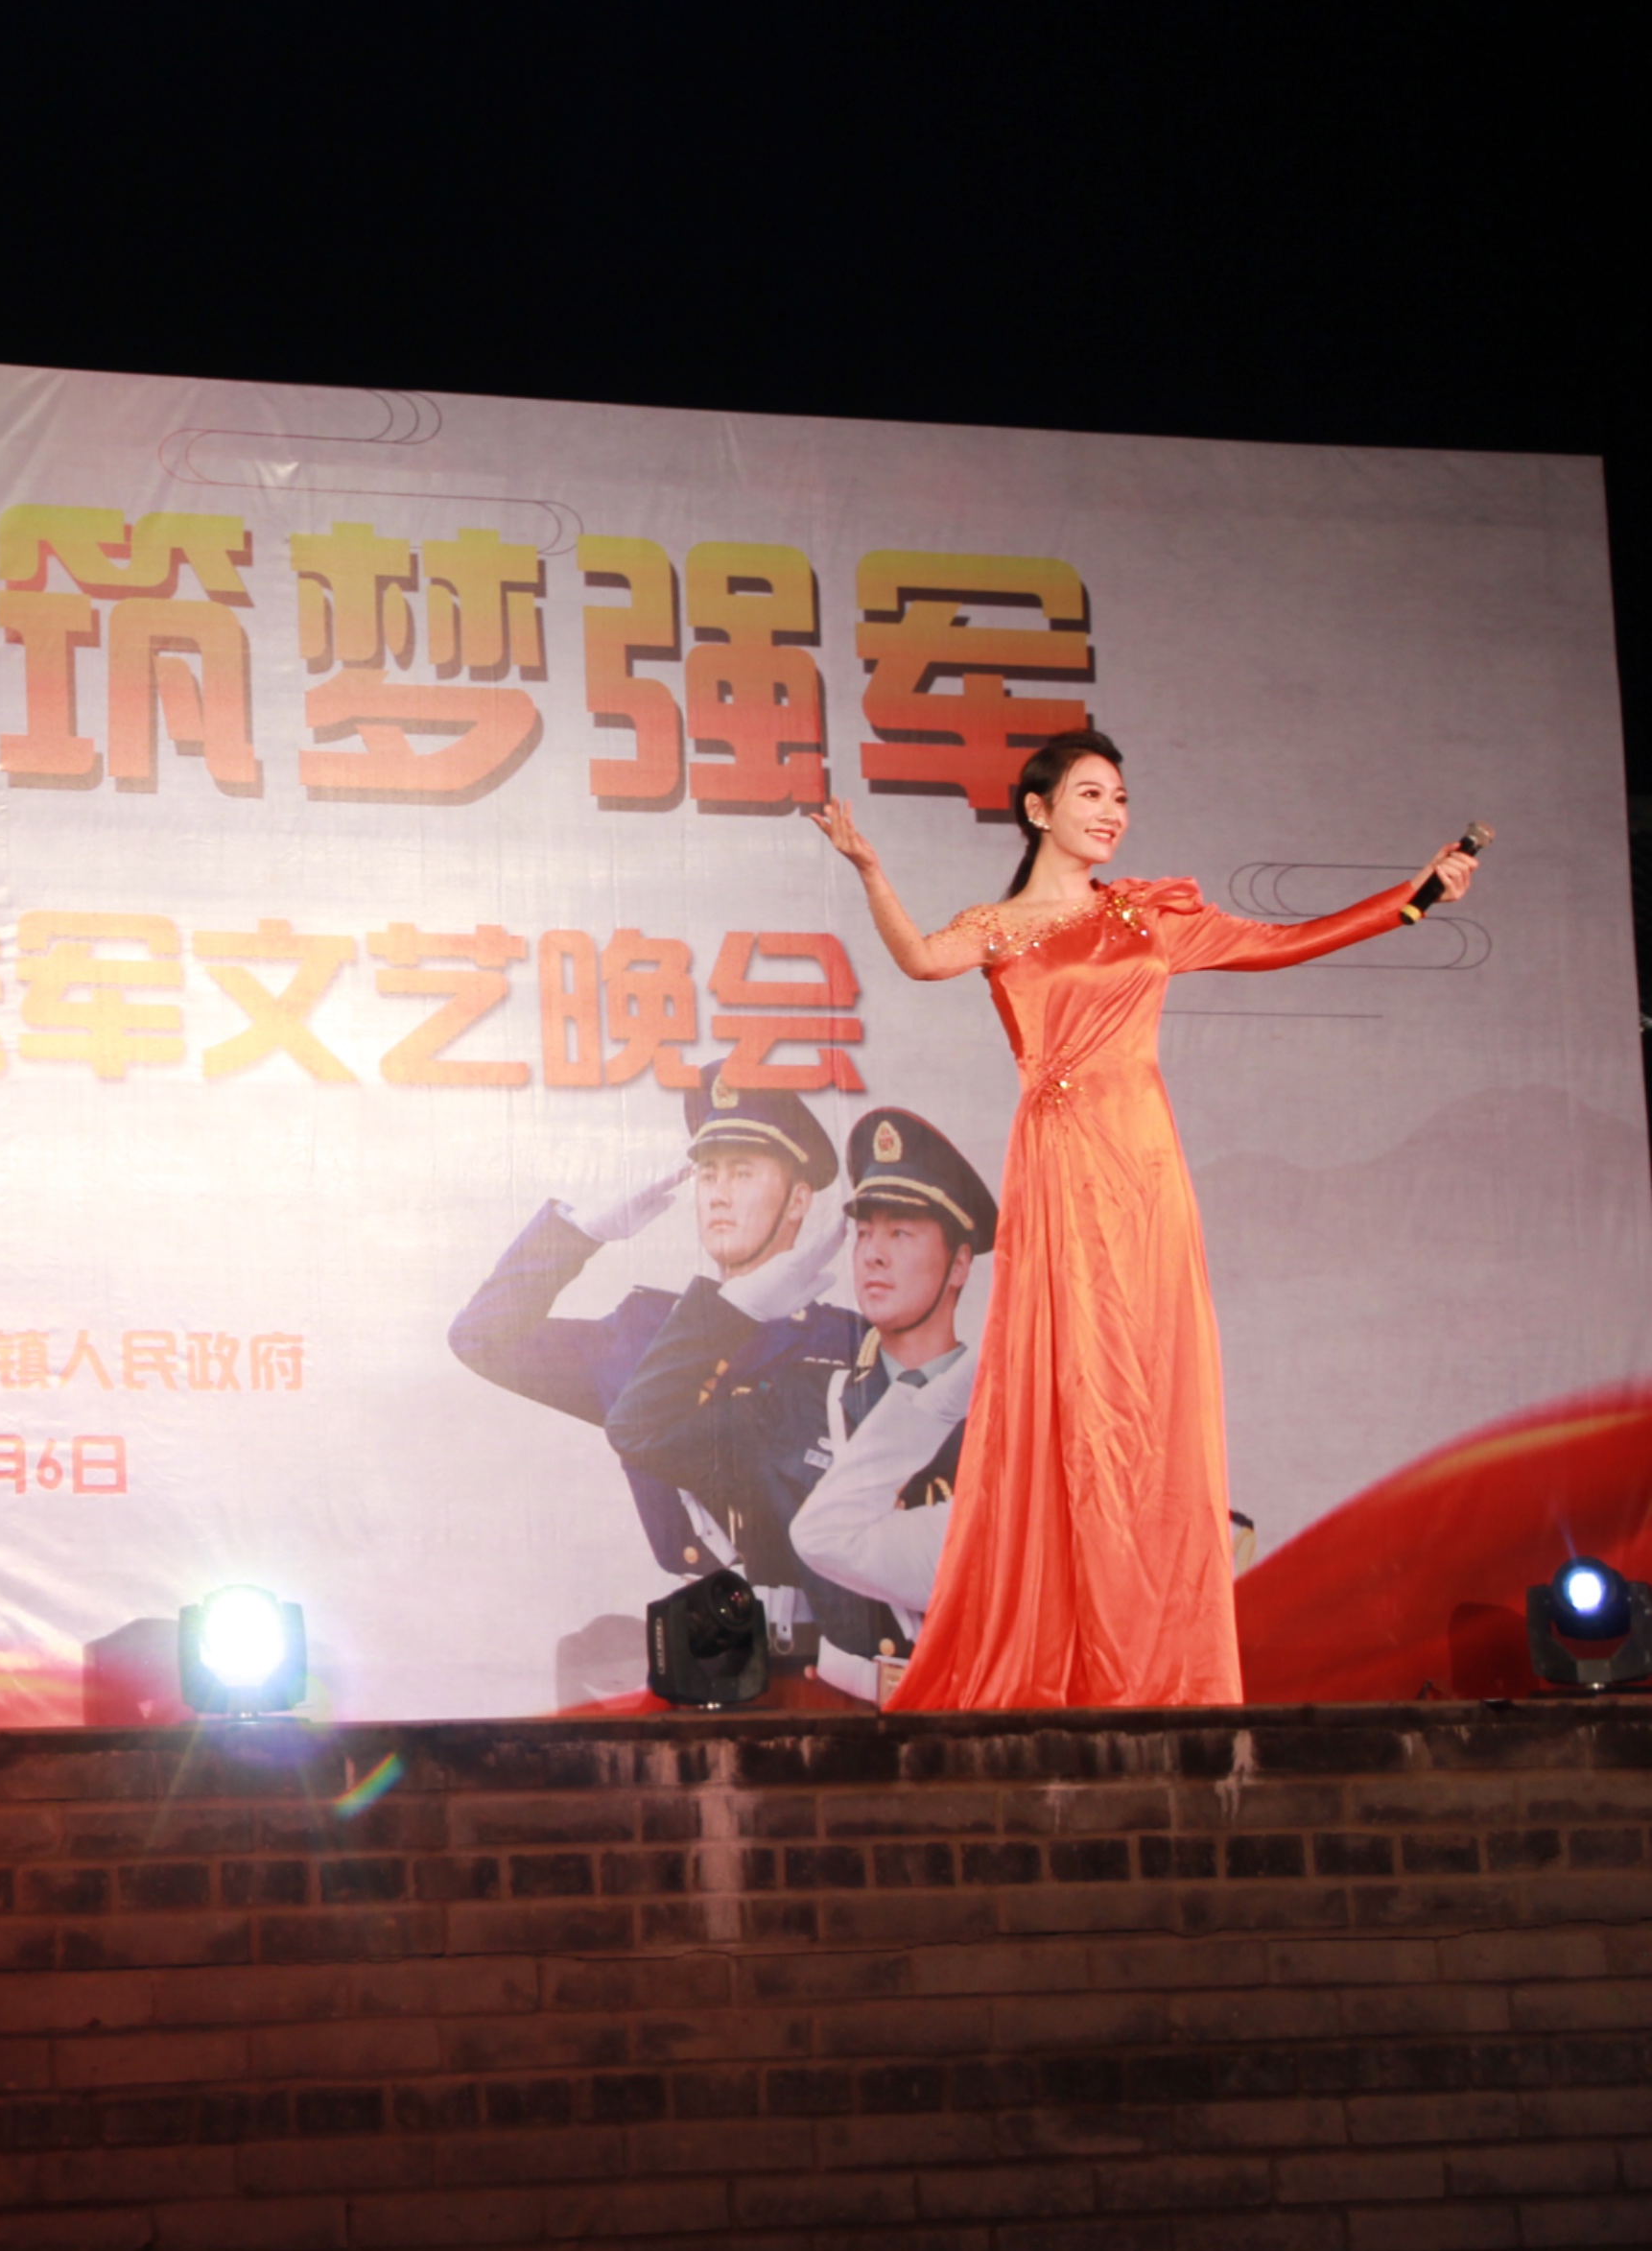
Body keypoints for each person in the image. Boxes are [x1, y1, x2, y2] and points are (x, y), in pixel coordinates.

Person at [808, 728, 1480, 1708]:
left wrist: (1411, 899)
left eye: (1118, 797)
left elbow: (1282, 943)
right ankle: (1070, 1638)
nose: (1110, 813)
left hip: (1142, 1162)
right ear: (1037, 810)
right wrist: (870, 870)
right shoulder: (997, 925)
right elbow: (916, 959)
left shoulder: (1145, 916)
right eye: (1089, 794)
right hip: (1057, 1159)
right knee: (1073, 1380)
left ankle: (1151, 1643)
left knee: (1146, 1378)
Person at [450, 1060, 861, 1619]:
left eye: (742, 1174)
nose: (718, 1195)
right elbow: (481, 1339)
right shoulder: (644, 1334)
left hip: (834, 1637)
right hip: (695, 1631)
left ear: (797, 1200)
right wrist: (577, 1233)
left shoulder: (846, 1344)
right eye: (709, 1175)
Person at [786, 1107, 999, 1698]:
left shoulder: (1009, 1414)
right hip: (844, 1708)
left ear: (959, 1264)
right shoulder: (804, 1401)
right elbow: (644, 1426)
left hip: (980, 1709)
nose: (873, 1255)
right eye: (865, 1233)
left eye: (900, 1233)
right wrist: (737, 1312)